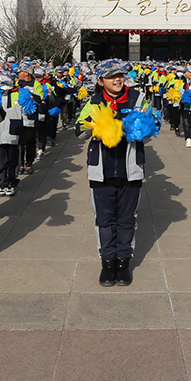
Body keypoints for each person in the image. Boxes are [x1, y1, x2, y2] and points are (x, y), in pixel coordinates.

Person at [75, 59, 148, 287]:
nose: (117, 79)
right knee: (104, 220)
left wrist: (136, 125)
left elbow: (150, 127)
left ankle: (123, 263)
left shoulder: (137, 98)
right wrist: (95, 125)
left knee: (127, 220)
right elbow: (79, 131)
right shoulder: (94, 102)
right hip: (101, 171)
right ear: (100, 81)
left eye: (120, 75)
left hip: (130, 170)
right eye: (111, 76)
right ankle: (107, 263)